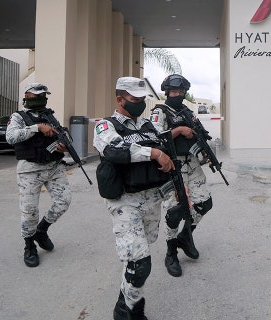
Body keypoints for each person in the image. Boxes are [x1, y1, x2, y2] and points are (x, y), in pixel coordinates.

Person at [93, 77, 175, 320]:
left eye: (142, 100)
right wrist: (154, 152)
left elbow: (169, 157)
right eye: (134, 100)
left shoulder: (150, 125)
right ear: (120, 100)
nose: (139, 103)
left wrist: (178, 190)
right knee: (141, 263)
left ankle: (126, 299)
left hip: (151, 198)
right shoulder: (105, 127)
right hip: (124, 201)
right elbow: (115, 151)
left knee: (138, 256)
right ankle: (128, 310)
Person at [150, 74, 214, 277]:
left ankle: (185, 236)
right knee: (175, 211)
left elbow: (199, 135)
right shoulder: (159, 112)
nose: (177, 95)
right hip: (172, 165)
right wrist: (178, 130)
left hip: (192, 163)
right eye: (173, 91)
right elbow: (152, 138)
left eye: (180, 91)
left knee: (205, 203)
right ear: (167, 92)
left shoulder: (187, 111)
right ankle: (170, 253)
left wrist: (207, 154)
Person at [5, 83, 72, 268]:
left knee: (63, 201)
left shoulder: (49, 115)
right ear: (26, 96)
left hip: (53, 167)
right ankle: (29, 246)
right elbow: (11, 138)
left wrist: (62, 146)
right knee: (29, 212)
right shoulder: (18, 117)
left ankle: (42, 230)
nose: (41, 98)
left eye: (44, 95)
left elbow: (58, 136)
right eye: (37, 95)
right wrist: (37, 128)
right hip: (30, 169)